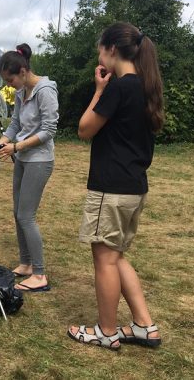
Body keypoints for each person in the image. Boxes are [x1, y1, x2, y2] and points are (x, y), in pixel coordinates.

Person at [67, 22, 164, 350]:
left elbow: (84, 129)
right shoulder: (144, 86)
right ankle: (144, 326)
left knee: (105, 260)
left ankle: (106, 331)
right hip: (134, 187)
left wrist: (98, 90)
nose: (99, 54)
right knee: (117, 257)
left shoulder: (120, 87)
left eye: (99, 48)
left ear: (111, 49)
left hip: (111, 188)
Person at [0, 43, 59, 293]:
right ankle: (26, 264)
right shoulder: (21, 93)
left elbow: (49, 130)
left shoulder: (45, 90)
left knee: (26, 216)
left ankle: (40, 275)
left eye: (10, 80)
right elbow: (16, 124)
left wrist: (17, 147)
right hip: (22, 158)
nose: (9, 85)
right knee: (17, 212)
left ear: (22, 71)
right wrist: (2, 141)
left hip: (39, 160)